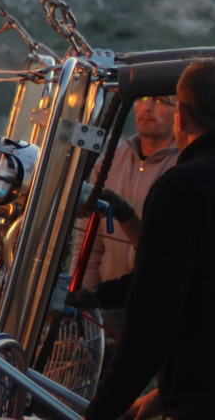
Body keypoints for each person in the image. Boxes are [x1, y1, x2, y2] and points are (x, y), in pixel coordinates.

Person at [82, 59, 215, 420]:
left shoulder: (182, 188)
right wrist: (162, 395)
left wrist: (100, 414)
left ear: (181, 115)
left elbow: (153, 319)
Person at [71, 95, 178, 333]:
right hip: (106, 303)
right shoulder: (110, 161)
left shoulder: (184, 167)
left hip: (158, 305)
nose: (148, 108)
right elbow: (89, 239)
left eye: (161, 101)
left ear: (180, 112)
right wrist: (81, 297)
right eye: (143, 99)